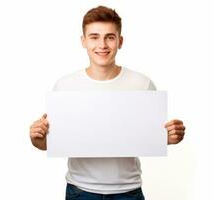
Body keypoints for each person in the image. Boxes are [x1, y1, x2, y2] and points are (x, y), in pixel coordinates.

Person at [29, 5, 186, 200]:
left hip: (128, 191)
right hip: (80, 190)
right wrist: (38, 139)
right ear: (83, 41)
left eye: (110, 37)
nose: (102, 45)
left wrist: (169, 137)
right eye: (94, 37)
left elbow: (149, 136)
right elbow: (52, 142)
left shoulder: (142, 84)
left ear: (120, 41)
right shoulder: (64, 86)